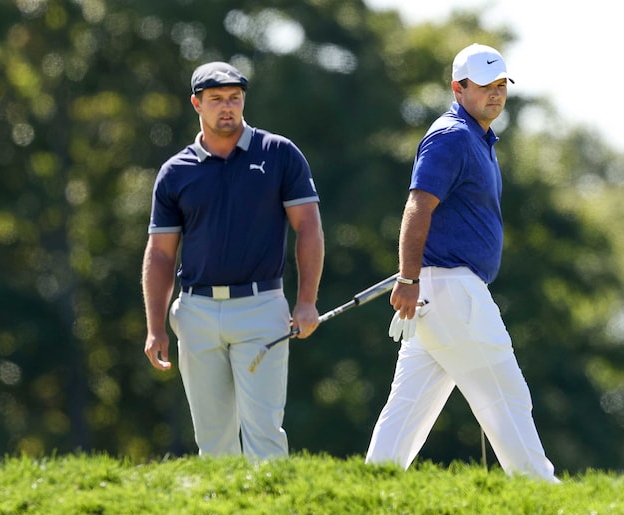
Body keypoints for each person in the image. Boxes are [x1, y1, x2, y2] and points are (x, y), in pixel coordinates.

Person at [365, 44, 559, 482]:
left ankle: (373, 486)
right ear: (458, 88)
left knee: (409, 406)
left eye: (500, 85)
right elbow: (418, 207)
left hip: (443, 291)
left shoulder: (477, 138)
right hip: (451, 289)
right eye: (484, 86)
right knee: (506, 394)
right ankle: (542, 490)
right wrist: (408, 278)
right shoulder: (451, 136)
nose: (495, 94)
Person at [142, 61, 324, 459]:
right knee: (213, 439)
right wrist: (156, 327)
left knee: (264, 433)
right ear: (197, 104)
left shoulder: (278, 154)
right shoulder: (176, 172)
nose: (227, 107)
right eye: (216, 99)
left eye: (235, 99)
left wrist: (306, 300)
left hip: (261, 309)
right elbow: (159, 254)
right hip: (196, 311)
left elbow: (308, 228)